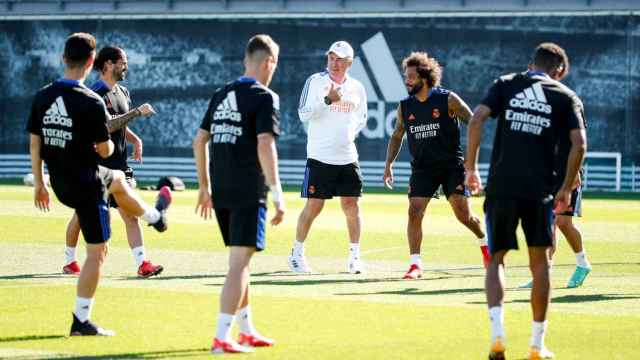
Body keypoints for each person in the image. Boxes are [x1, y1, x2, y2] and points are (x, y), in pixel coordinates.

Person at [27, 33, 172, 336]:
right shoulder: (91, 100)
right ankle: (82, 320)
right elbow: (104, 151)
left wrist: (39, 183)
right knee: (99, 252)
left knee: (119, 181)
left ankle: (154, 217)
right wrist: (104, 143)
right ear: (94, 62)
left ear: (63, 58)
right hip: (88, 180)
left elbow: (35, 141)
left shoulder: (42, 96)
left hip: (60, 182)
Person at [465, 42, 587, 360]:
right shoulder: (564, 96)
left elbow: (476, 119)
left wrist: (470, 169)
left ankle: (497, 335)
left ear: (532, 63)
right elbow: (580, 144)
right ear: (558, 70)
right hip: (539, 190)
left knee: (497, 260)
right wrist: (566, 187)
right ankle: (536, 344)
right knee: (540, 265)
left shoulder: (506, 84)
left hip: (502, 185)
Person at [193, 34, 285, 354]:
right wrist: (277, 193)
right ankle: (222, 336)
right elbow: (265, 143)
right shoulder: (265, 97)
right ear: (268, 62)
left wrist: (204, 187)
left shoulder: (221, 94)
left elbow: (199, 140)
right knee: (239, 265)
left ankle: (245, 329)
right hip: (249, 190)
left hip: (221, 189)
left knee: (239, 261)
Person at [383, 52, 489, 280]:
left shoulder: (448, 99)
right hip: (422, 169)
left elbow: (474, 123)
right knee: (414, 211)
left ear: (425, 77)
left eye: (411, 77)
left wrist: (472, 165)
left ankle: (485, 244)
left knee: (464, 215)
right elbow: (397, 135)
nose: (407, 80)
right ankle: (415, 265)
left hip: (452, 166)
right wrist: (388, 164)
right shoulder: (405, 106)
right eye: (406, 76)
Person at [62, 45, 163, 278]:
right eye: (122, 62)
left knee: (130, 215)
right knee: (82, 214)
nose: (125, 65)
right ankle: (69, 260)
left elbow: (120, 125)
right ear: (108, 64)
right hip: (97, 165)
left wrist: (135, 139)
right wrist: (137, 113)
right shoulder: (95, 93)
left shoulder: (123, 92)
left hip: (119, 165)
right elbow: (106, 125)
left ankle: (142, 264)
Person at [288, 40, 367, 274]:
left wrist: (348, 136)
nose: (335, 62)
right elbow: (303, 114)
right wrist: (326, 101)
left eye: (340, 59)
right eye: (332, 57)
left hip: (348, 157)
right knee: (314, 206)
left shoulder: (357, 88)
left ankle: (355, 258)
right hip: (320, 157)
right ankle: (296, 254)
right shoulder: (315, 82)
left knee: (351, 206)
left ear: (349, 63)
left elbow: (361, 118)